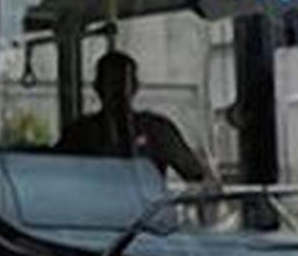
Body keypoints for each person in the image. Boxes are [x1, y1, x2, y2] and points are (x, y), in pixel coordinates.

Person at [57, 51, 207, 182]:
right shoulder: (80, 133)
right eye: (111, 83)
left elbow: (195, 174)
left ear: (135, 86)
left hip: (146, 206)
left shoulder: (156, 129)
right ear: (97, 87)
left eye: (122, 83)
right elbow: (57, 175)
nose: (117, 91)